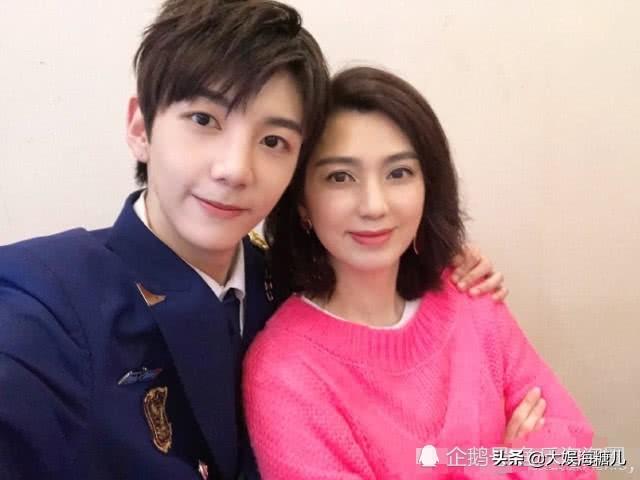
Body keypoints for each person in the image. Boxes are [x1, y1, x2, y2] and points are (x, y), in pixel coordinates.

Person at [0, 2, 508, 479]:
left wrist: (440, 259)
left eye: (273, 141)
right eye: (204, 120)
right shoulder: (47, 304)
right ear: (140, 127)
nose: (236, 169)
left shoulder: (294, 281)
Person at [243, 66, 595, 479]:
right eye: (340, 177)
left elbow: (577, 451)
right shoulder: (285, 372)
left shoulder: (469, 294)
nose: (374, 205)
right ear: (302, 201)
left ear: (428, 186)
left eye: (398, 173)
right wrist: (506, 463)